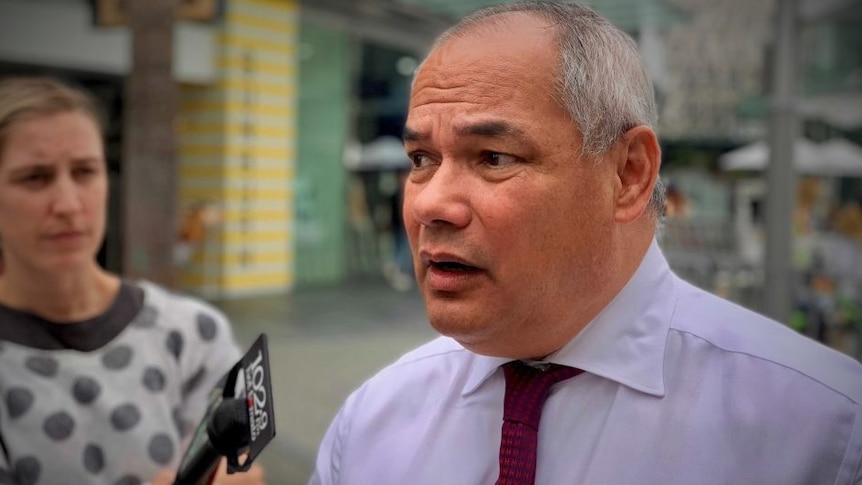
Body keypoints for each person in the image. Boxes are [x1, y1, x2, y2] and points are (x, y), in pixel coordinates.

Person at [309, 3, 862, 484]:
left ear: (628, 174)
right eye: (421, 160)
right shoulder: (372, 423)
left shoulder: (825, 435)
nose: (430, 204)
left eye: (494, 158)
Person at [0, 77, 264, 484]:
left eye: (85, 171)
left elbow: (230, 465)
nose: (68, 204)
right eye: (35, 177)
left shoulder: (190, 335)